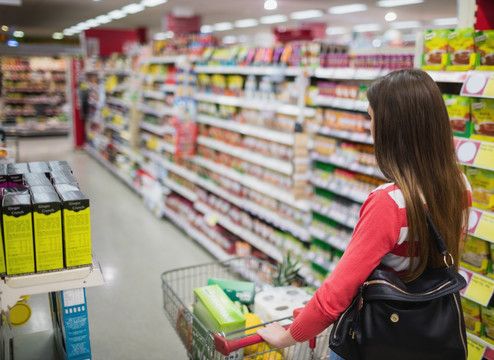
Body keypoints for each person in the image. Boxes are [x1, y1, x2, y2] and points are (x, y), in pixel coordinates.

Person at [257, 68, 472, 359]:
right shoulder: (460, 185)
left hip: (378, 335)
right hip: (430, 331)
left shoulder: (390, 202)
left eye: (371, 118)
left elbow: (337, 294)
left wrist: (286, 336)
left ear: (391, 127)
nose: (368, 127)